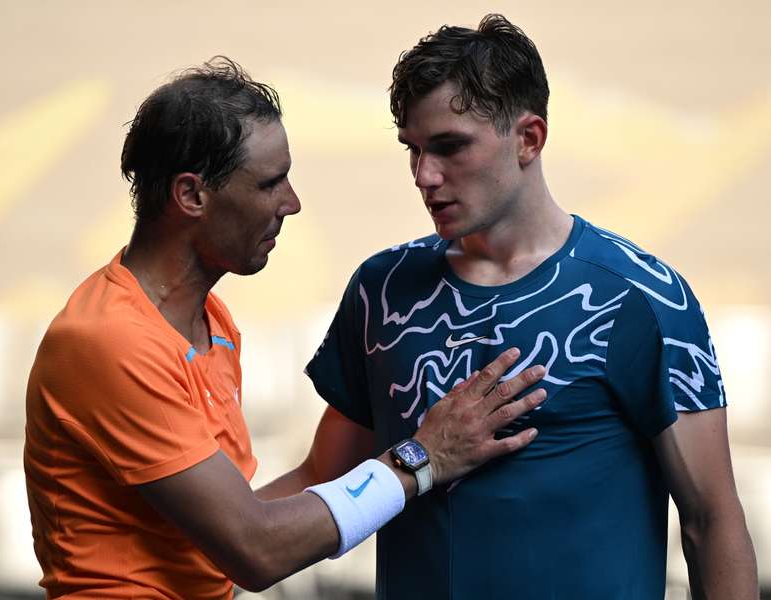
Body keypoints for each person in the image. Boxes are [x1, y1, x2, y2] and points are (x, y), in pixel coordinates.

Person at [23, 57, 547, 599]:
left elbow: (250, 518)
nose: (291, 204)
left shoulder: (210, 322)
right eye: (270, 183)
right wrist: (422, 458)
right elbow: (255, 550)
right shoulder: (109, 340)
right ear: (192, 196)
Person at [303, 14, 759, 600]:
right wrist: (183, 547)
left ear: (529, 138)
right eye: (412, 150)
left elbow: (710, 521)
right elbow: (322, 481)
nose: (424, 175)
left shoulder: (642, 296)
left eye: (449, 147)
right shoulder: (382, 289)